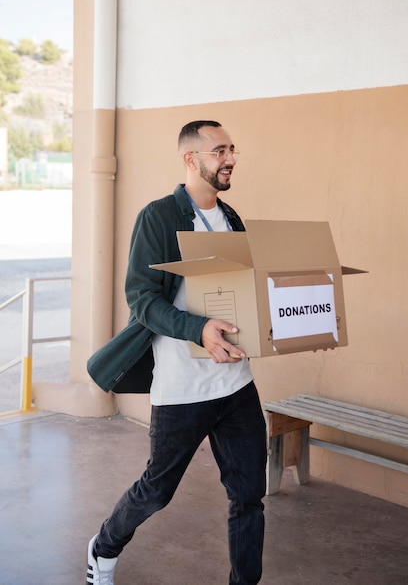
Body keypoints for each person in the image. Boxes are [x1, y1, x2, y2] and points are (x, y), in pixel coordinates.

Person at [86, 120, 267, 585]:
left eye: (232, 149)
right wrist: (198, 328)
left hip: (236, 383)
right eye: (219, 150)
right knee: (157, 491)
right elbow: (143, 299)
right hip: (183, 387)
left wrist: (290, 324)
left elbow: (240, 293)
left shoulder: (232, 219)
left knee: (249, 495)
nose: (229, 158)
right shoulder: (159, 217)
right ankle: (103, 548)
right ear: (191, 159)